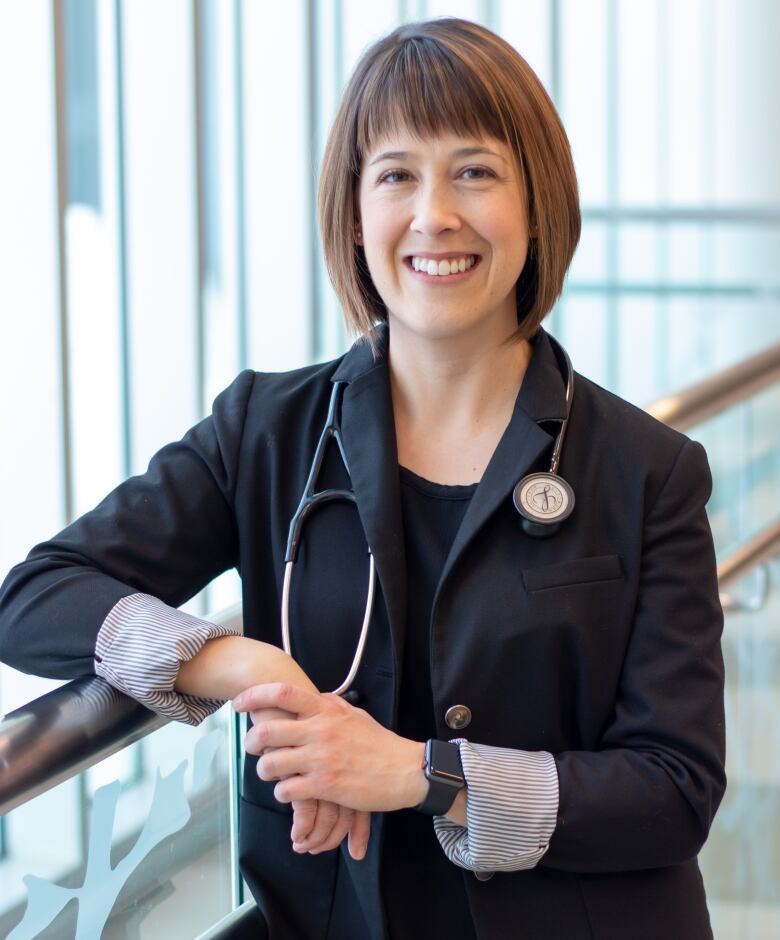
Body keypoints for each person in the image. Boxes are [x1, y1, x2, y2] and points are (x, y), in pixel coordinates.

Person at [0, 17, 726, 940]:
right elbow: (34, 596)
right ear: (353, 211)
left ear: (537, 203)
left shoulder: (647, 470)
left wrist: (422, 774)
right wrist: (241, 665)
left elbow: (675, 787)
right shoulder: (267, 432)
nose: (434, 215)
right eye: (396, 176)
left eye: (475, 171)